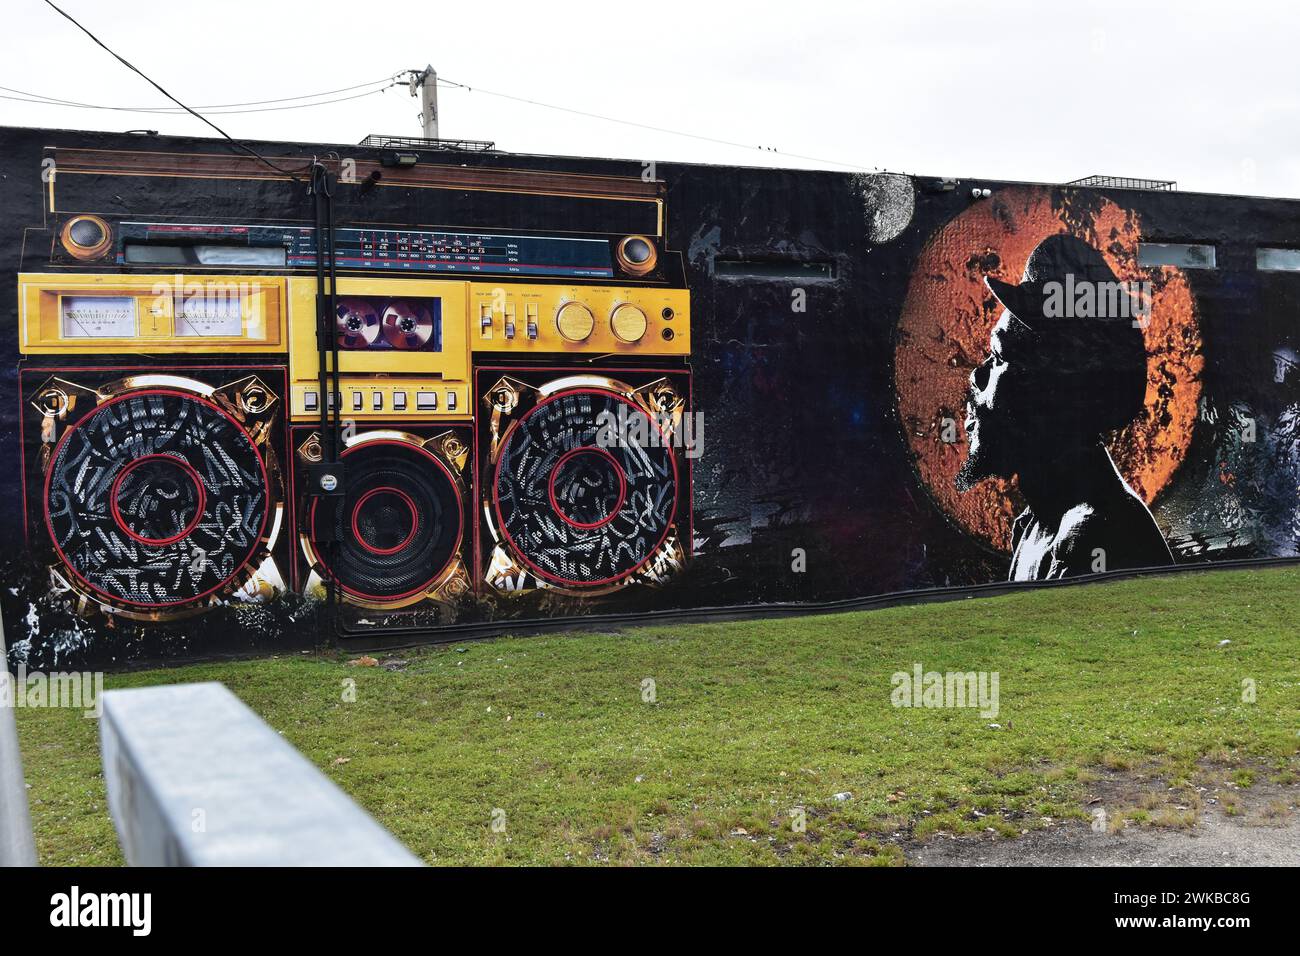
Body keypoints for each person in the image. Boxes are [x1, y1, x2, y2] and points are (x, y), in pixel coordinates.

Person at [955, 234, 1174, 580]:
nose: (976, 375)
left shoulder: (1090, 539)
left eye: (998, 356)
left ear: (1047, 389)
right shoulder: (1040, 524)